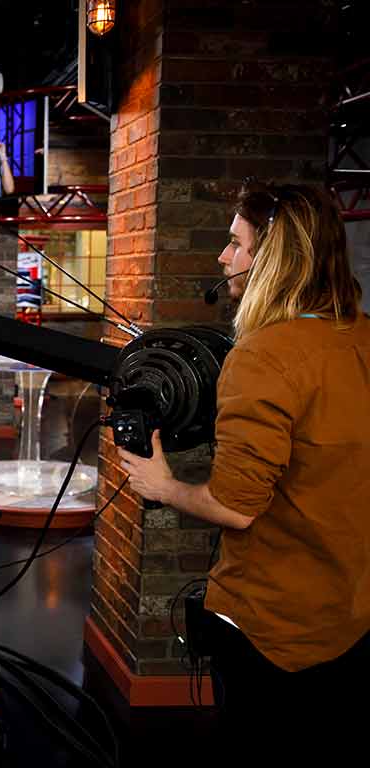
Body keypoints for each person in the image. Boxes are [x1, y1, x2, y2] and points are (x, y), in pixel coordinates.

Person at [117, 181, 370, 761]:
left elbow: (236, 507)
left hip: (277, 631)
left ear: (272, 258)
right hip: (352, 615)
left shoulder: (263, 355)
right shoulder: (361, 335)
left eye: (236, 243)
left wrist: (165, 486)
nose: (223, 257)